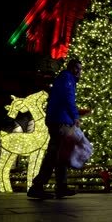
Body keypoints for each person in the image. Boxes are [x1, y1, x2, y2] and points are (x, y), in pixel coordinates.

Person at [27, 58, 83, 199]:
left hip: (58, 119)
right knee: (54, 153)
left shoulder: (63, 78)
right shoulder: (67, 77)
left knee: (61, 154)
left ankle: (61, 186)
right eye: (77, 68)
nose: (79, 71)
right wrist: (75, 116)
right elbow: (68, 98)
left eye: (80, 69)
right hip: (61, 120)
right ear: (71, 67)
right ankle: (38, 186)